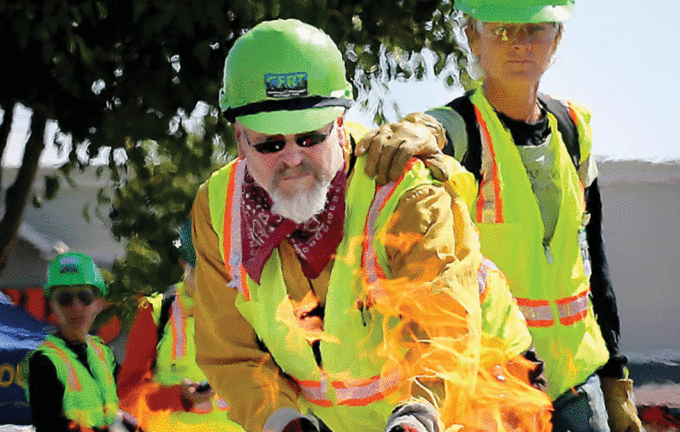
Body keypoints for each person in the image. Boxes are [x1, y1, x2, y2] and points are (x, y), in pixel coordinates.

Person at [191, 18, 550, 432]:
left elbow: (443, 330)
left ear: (340, 126)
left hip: (482, 389)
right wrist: (283, 421)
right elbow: (231, 353)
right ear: (239, 139)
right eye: (270, 144)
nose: (292, 160)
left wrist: (420, 414)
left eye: (309, 138)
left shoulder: (405, 191)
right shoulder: (217, 209)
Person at [359, 1, 642, 431]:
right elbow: (435, 129)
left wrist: (616, 381)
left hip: (574, 386)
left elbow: (594, 266)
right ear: (473, 36)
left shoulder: (572, 129)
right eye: (503, 30)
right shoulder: (463, 130)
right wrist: (421, 130)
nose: (521, 44)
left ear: (557, 38)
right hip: (494, 390)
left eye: (534, 30)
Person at [116, 219, 246, 432]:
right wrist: (176, 396)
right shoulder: (156, 312)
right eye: (202, 272)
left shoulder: (250, 310)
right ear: (184, 263)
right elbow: (129, 396)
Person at [22, 252, 120, 432]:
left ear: (98, 303)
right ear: (53, 305)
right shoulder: (43, 361)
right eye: (65, 298)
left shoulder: (103, 353)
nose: (76, 307)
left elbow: (133, 397)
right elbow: (49, 425)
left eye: (85, 297)